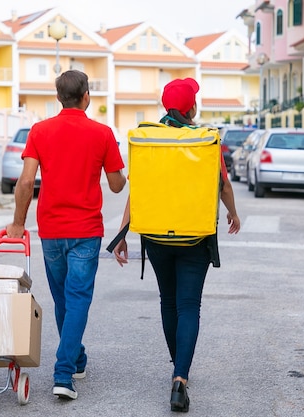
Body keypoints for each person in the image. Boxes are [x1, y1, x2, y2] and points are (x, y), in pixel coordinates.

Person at [112, 78, 241, 412]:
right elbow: (223, 186)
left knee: (168, 302)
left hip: (155, 236)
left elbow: (136, 190)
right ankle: (180, 377)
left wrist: (123, 233)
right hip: (195, 238)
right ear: (192, 108)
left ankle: (178, 365)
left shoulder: (150, 140)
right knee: (189, 305)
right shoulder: (204, 141)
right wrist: (233, 214)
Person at [6, 70, 126, 400]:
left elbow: (27, 182)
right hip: (86, 232)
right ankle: (63, 373)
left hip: (52, 230)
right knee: (77, 301)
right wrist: (114, 162)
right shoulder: (102, 133)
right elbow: (116, 185)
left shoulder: (40, 131)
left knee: (63, 300)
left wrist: (18, 223)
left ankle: (78, 358)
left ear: (59, 98)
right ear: (86, 96)